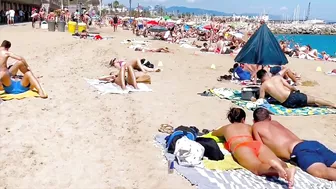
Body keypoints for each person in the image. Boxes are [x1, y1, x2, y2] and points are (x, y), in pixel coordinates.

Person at [212, 108, 296, 188]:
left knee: (257, 167)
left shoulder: (226, 128)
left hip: (242, 147)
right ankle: (284, 167)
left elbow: (214, 133)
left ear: (230, 119)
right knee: (281, 163)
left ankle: (281, 171)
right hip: (256, 145)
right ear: (243, 119)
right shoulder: (249, 127)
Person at [252, 108, 336, 181]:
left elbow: (261, 147)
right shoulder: (275, 122)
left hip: (300, 150)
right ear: (270, 118)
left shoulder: (256, 126)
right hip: (311, 144)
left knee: (321, 172)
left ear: (254, 121)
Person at [256, 69, 335, 108]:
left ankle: (317, 104)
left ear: (261, 79)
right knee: (314, 99)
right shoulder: (277, 77)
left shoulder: (263, 86)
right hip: (293, 97)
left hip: (287, 104)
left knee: (308, 103)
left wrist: (254, 100)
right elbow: (290, 87)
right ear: (267, 73)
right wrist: (296, 90)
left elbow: (261, 100)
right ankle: (333, 105)